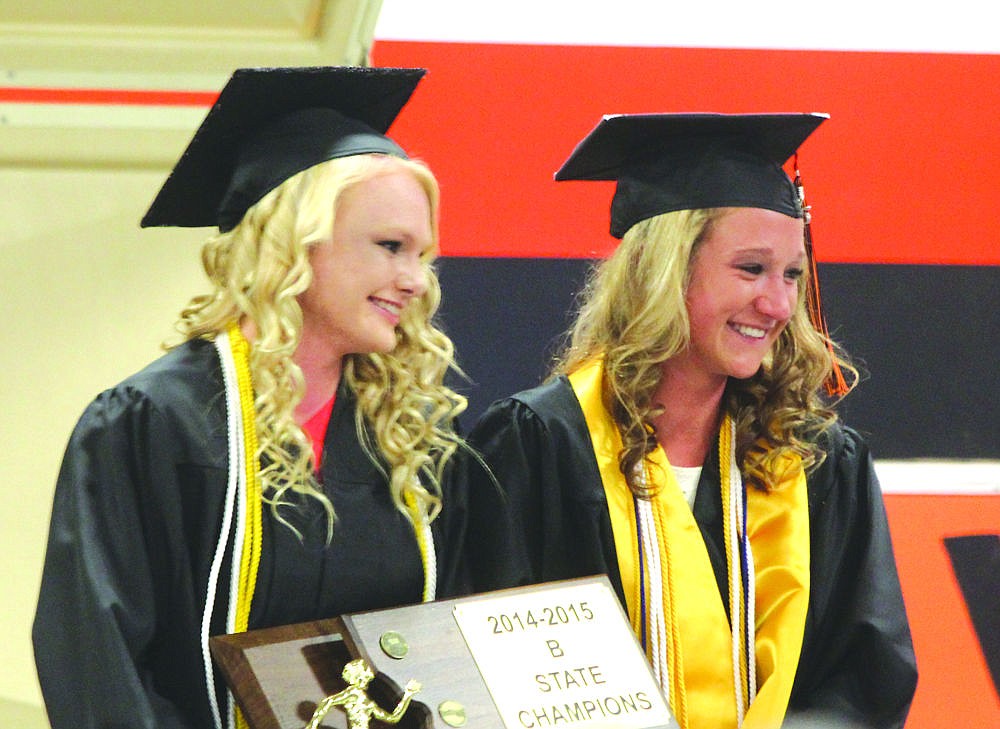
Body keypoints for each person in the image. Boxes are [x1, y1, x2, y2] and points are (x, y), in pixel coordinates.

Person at [33, 66, 470, 729]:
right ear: (293, 244)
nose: (415, 280)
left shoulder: (407, 438)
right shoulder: (155, 424)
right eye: (389, 247)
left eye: (422, 253)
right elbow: (101, 664)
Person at [465, 113, 917, 729]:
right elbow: (496, 668)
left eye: (791, 274)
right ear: (664, 271)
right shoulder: (536, 445)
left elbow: (867, 683)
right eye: (751, 269)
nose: (779, 304)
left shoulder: (817, 461)